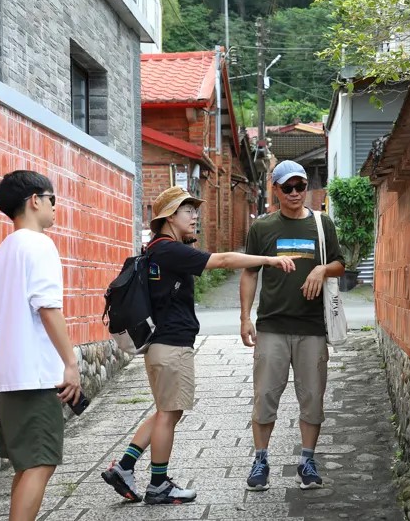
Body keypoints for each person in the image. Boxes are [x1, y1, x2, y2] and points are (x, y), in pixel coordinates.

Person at [101, 186, 297, 505]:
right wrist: (269, 260)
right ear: (169, 217)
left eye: (195, 210)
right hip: (171, 345)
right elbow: (222, 260)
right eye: (187, 211)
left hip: (161, 345)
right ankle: (158, 485)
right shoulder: (169, 250)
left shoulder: (158, 249)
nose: (195, 217)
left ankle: (125, 466)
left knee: (167, 411)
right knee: (169, 414)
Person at [240, 160, 345, 491]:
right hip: (272, 326)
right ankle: (260, 460)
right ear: (276, 190)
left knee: (313, 397)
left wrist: (321, 269)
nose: (296, 193)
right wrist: (244, 317)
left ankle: (307, 461)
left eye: (300, 186)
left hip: (312, 327)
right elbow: (249, 273)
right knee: (265, 395)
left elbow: (340, 264)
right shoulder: (262, 228)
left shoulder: (321, 224)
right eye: (288, 187)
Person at [0, 170, 83, 521]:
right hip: (36, 375)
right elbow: (47, 308)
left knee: (27, 465)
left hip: (8, 375)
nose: (55, 207)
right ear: (34, 201)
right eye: (52, 199)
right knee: (41, 462)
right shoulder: (39, 244)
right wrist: (70, 363)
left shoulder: (2, 251)